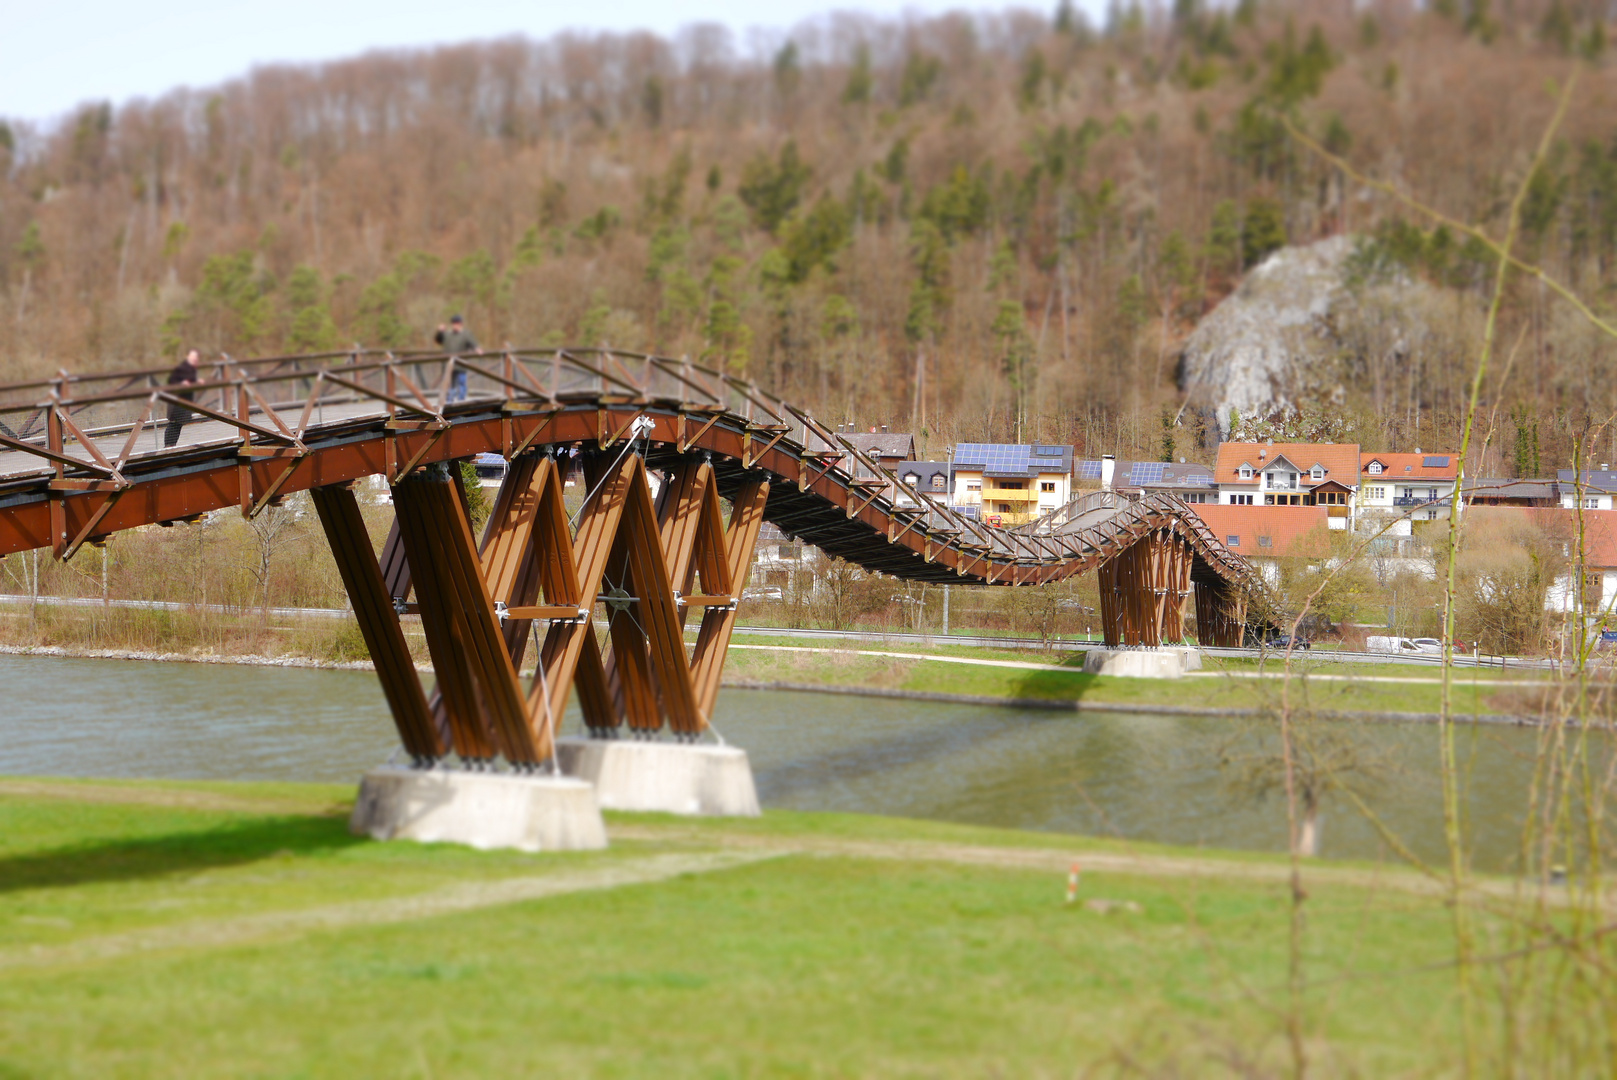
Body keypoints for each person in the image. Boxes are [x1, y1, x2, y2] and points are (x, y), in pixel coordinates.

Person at [434, 314, 481, 403]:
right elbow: (438, 340)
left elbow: (473, 343)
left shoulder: (466, 334)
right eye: (454, 323)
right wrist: (440, 331)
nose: (455, 325)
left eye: (457, 323)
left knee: (461, 383)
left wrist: (477, 349)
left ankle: (461, 401)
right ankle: (449, 401)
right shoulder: (447, 334)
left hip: (461, 364)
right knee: (449, 384)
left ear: (460, 324)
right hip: (448, 364)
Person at [163, 349, 200, 448]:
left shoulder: (191, 369)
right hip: (177, 402)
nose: (195, 360)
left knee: (178, 424)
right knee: (174, 424)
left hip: (184, 402)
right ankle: (168, 446)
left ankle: (171, 445)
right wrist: (181, 384)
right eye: (193, 358)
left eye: (196, 358)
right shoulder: (181, 368)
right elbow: (171, 380)